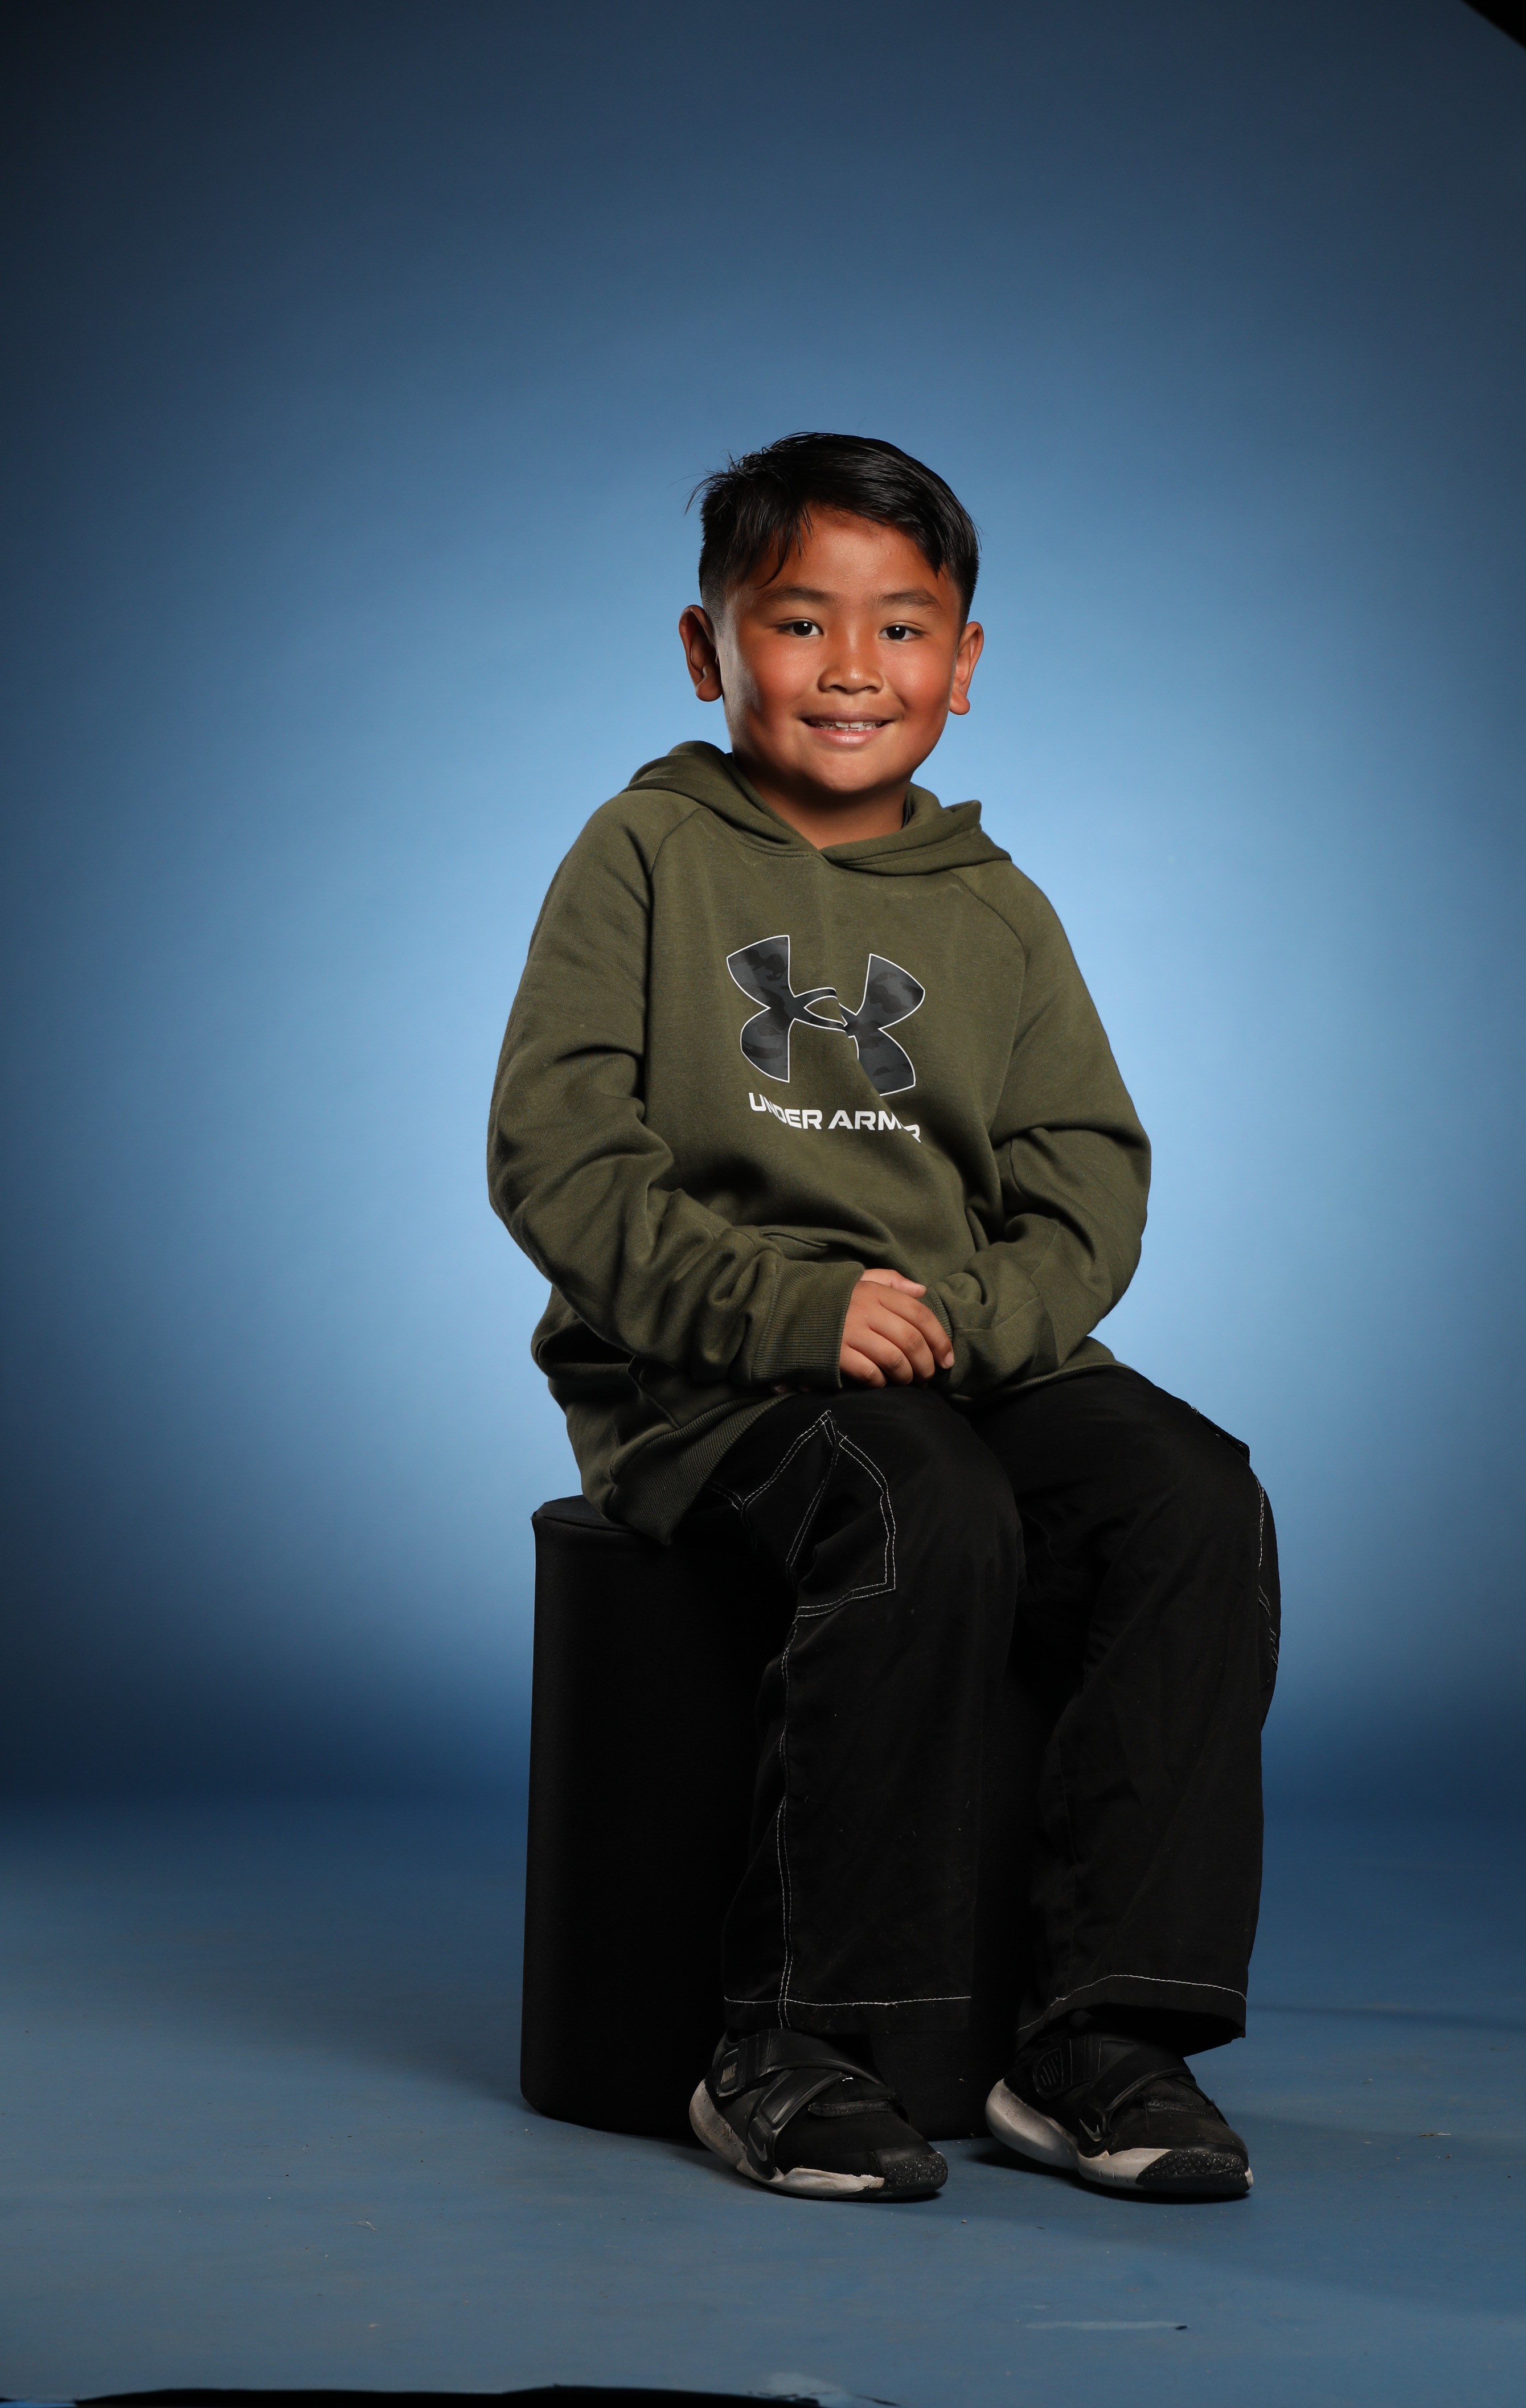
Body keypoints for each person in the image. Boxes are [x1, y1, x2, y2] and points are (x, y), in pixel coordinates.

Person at [489, 433, 1279, 2205]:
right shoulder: (643, 854)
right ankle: (795, 2040)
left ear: (965, 664)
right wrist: (794, 1309)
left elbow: (1088, 1178)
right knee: (918, 1503)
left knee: (1193, 1498)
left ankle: (1096, 2035)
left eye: (902, 628)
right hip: (708, 1379)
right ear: (706, 648)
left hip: (960, 1356)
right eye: (798, 623)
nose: (852, 668)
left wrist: (975, 1323)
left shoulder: (1000, 910)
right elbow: (559, 1156)